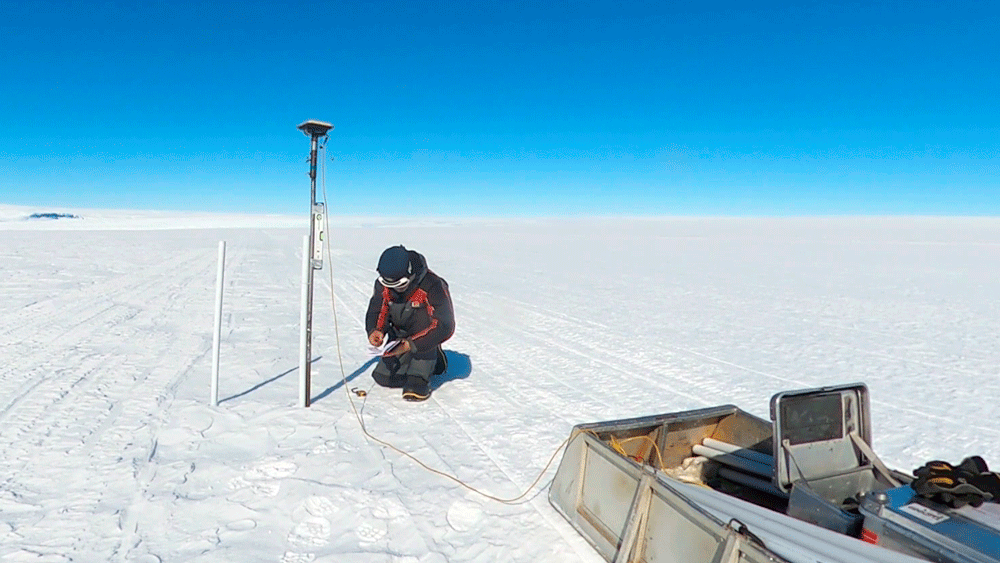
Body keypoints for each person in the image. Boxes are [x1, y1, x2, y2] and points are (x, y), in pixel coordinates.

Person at [365, 245, 455, 401]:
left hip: (423, 334)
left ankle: (429, 360)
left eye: (399, 285)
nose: (394, 289)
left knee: (414, 386)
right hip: (399, 334)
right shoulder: (384, 285)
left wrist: (410, 345)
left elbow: (444, 324)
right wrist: (376, 331)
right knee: (384, 378)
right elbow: (378, 308)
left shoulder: (432, 285)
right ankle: (416, 359)